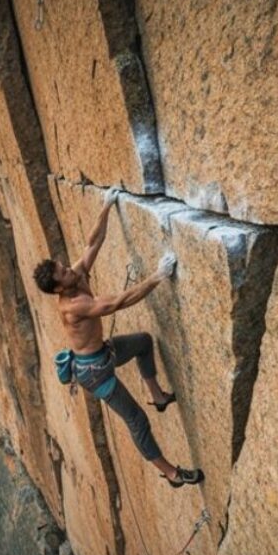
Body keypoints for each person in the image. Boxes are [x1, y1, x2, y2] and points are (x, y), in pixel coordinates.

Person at [33, 188, 204, 488]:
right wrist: (157, 276)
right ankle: (172, 474)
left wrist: (106, 206)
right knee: (137, 420)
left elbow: (92, 242)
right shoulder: (73, 306)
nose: (69, 268)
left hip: (103, 353)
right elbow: (116, 303)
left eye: (63, 266)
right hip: (94, 373)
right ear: (59, 288)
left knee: (143, 342)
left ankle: (158, 396)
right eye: (64, 272)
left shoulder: (75, 277)